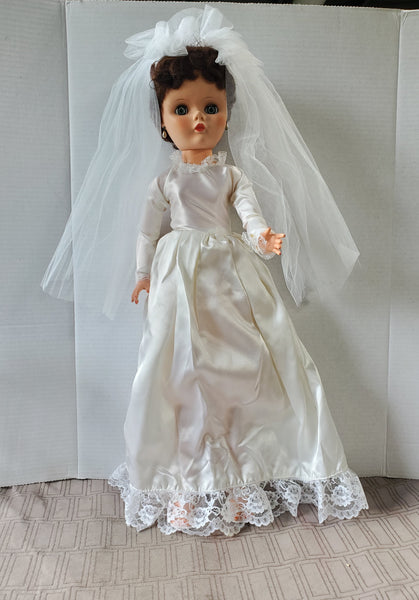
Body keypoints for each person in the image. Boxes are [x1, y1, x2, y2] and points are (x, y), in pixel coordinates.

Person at [42, 6, 368, 536]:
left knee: (249, 368)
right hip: (177, 276)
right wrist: (142, 273)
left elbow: (251, 216)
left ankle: (242, 479)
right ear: (163, 120)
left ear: (227, 115)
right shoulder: (165, 183)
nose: (198, 119)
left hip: (232, 275)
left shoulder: (232, 176)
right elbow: (147, 233)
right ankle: (184, 485)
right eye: (182, 109)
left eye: (211, 107)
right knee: (177, 373)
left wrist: (263, 239)